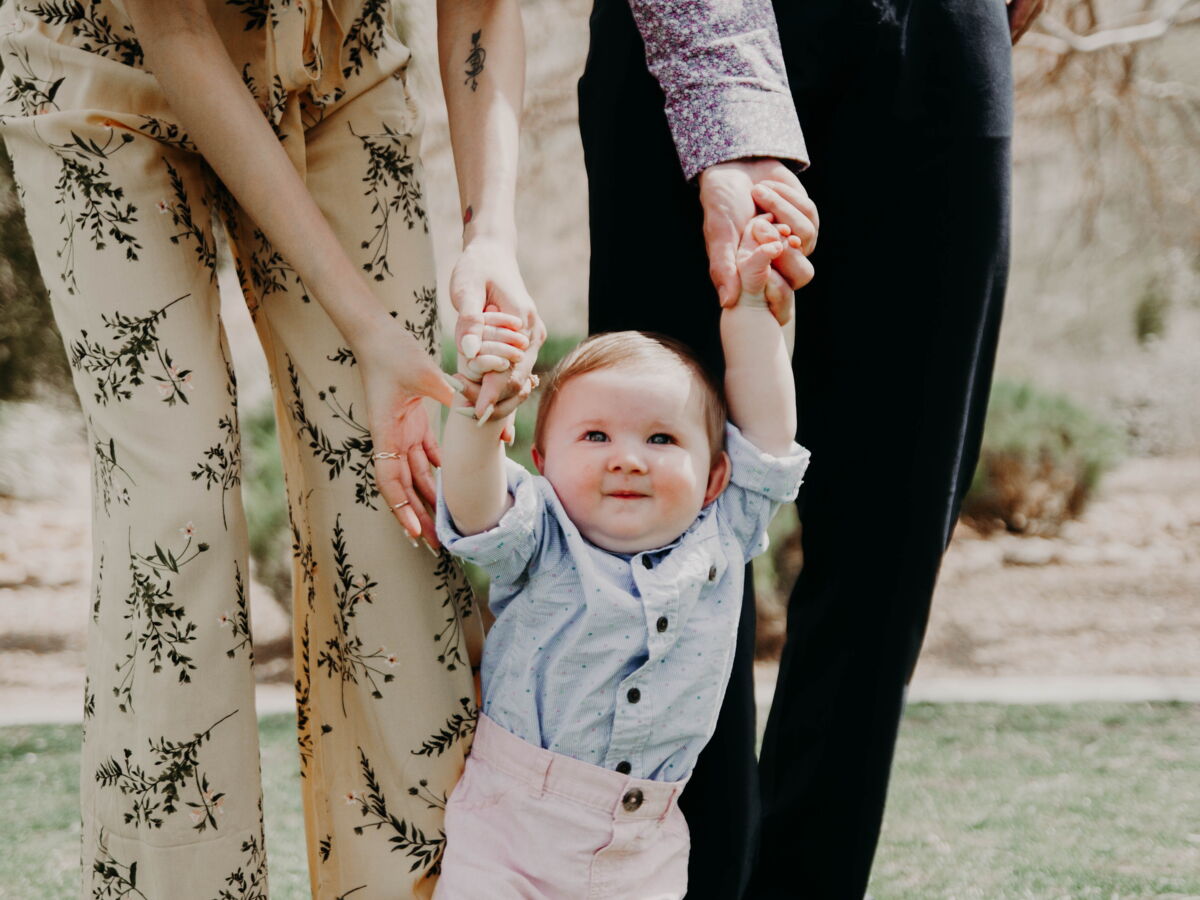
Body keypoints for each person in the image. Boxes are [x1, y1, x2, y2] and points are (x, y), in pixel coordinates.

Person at [0, 1, 540, 897]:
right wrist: (368, 328)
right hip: (105, 65)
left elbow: (482, 9)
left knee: (391, 495)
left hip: (338, 64)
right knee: (174, 511)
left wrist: (494, 240)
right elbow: (176, 37)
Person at [579, 0, 1039, 896]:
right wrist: (727, 113)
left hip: (939, 40)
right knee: (667, 536)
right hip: (687, 33)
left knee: (890, 548)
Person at [432, 215, 811, 898]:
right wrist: (478, 416)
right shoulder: (543, 532)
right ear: (543, 463)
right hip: (510, 827)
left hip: (644, 844)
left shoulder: (722, 532)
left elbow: (770, 437)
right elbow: (470, 504)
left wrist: (751, 306)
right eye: (597, 435)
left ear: (716, 478)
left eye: (662, 439)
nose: (628, 459)